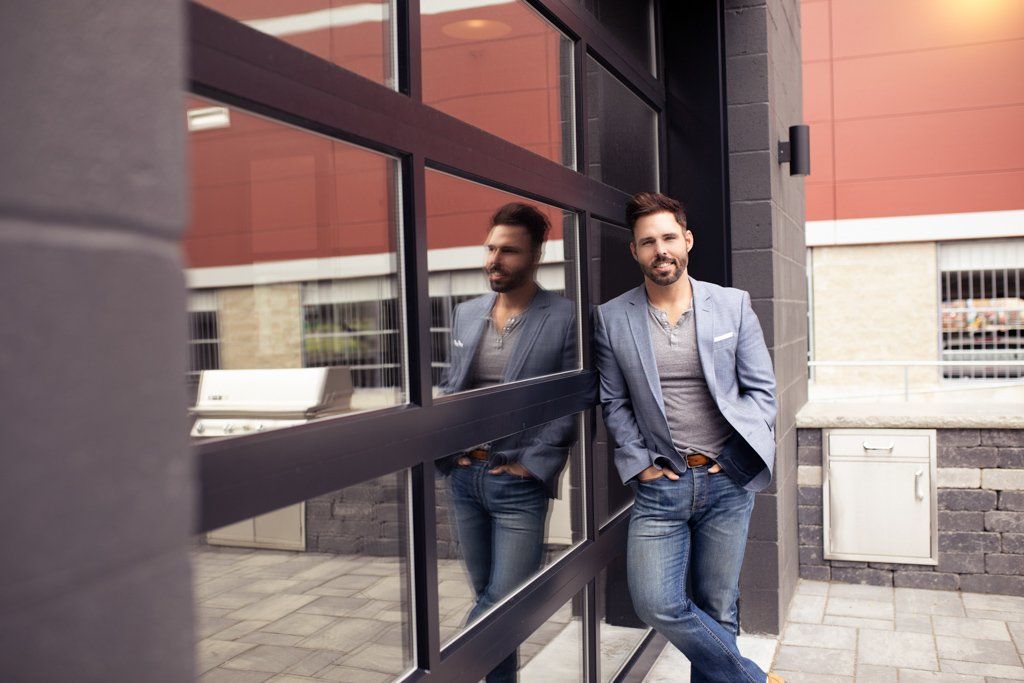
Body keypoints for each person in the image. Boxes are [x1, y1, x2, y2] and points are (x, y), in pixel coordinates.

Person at [594, 191, 783, 683]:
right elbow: (614, 402)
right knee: (656, 602)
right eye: (648, 241)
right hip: (662, 485)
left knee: (718, 604)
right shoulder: (613, 318)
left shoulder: (732, 305)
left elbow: (762, 391)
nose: (661, 249)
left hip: (726, 482)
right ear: (634, 252)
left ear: (687, 241)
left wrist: (738, 460)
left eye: (669, 238)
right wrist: (640, 465)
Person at [437, 202, 576, 682]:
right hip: (465, 478)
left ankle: (440, 671)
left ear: (536, 255)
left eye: (509, 251)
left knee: (502, 602)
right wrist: (448, 456)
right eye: (491, 248)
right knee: (488, 599)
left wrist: (534, 464)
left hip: (517, 483)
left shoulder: (565, 317)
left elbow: (572, 401)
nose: (494, 260)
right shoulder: (466, 313)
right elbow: (454, 387)